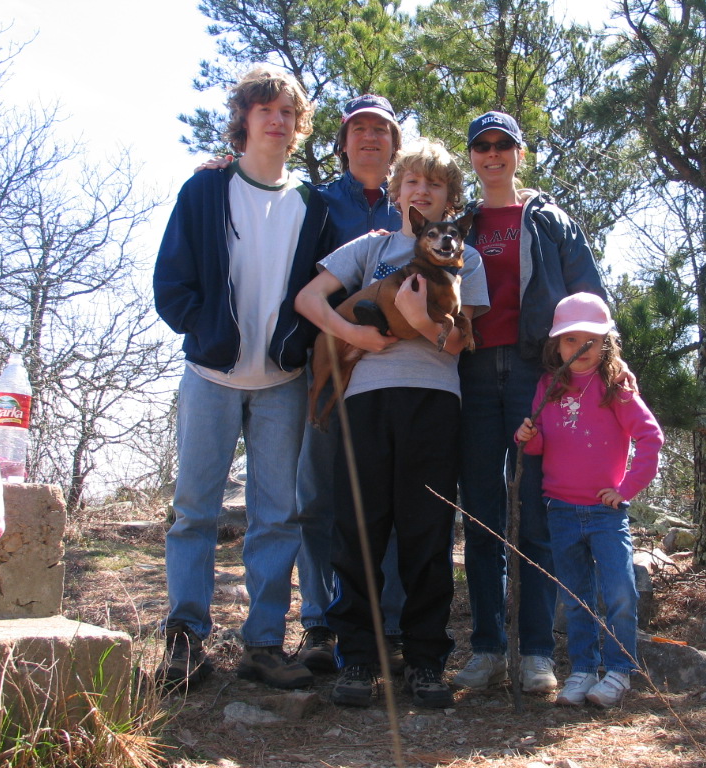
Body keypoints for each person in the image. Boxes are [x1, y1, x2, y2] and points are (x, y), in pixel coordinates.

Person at [153, 65, 332, 691]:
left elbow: (328, 288)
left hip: (282, 381)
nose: (277, 120)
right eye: (265, 109)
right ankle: (184, 642)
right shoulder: (204, 192)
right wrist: (204, 330)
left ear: (296, 124)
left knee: (277, 516)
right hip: (210, 374)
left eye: (287, 111)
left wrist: (300, 347)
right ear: (246, 119)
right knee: (194, 512)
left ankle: (262, 644)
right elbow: (171, 281)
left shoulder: (311, 205)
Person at [295, 139, 489, 708]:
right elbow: (310, 300)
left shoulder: (464, 258)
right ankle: (357, 658)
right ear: (399, 193)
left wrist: (414, 321)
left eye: (434, 185)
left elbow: (458, 343)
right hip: (365, 400)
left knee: (427, 533)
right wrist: (354, 334)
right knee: (359, 530)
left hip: (433, 400)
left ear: (449, 200)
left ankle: (425, 661)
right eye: (412, 182)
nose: (421, 191)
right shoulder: (372, 246)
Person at [455, 111, 607, 694]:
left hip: (531, 376)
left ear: (520, 153)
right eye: (481, 146)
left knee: (537, 516)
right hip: (469, 373)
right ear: (472, 156)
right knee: (481, 511)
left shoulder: (549, 221)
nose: (492, 154)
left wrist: (594, 372)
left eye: (503, 145)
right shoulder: (460, 222)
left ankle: (537, 653)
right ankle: (489, 647)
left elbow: (588, 298)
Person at [295, 94, 408, 674]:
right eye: (358, 130)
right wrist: (222, 163)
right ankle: (318, 620)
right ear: (342, 143)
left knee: (384, 498)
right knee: (316, 495)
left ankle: (385, 622)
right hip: (329, 367)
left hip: (392, 375)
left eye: (381, 131)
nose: (369, 138)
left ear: (395, 144)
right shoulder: (313, 203)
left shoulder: (411, 205)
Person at [515, 293, 664, 708]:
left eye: (590, 340)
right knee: (575, 596)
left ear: (605, 344)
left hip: (606, 513)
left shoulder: (615, 386)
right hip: (559, 510)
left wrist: (627, 488)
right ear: (556, 345)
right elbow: (541, 445)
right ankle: (583, 669)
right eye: (569, 340)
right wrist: (527, 437)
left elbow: (650, 437)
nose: (578, 348)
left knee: (619, 592)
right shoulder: (549, 385)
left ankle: (619, 671)